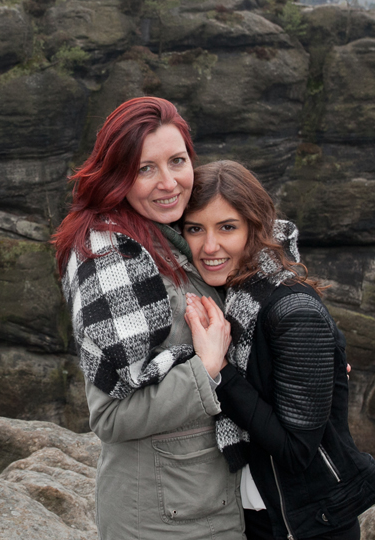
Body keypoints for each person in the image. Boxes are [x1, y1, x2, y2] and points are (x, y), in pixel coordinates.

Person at [52, 97, 244, 539]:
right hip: (162, 519)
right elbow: (112, 417)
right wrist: (205, 368)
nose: (168, 183)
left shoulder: (177, 233)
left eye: (177, 161)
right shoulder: (111, 255)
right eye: (145, 169)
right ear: (118, 175)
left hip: (200, 501)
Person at [181, 161, 375, 540]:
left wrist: (220, 370)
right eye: (195, 229)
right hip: (249, 518)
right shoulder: (227, 299)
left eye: (227, 227)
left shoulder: (293, 312)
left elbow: (296, 451)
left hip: (309, 526)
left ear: (255, 228)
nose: (209, 246)